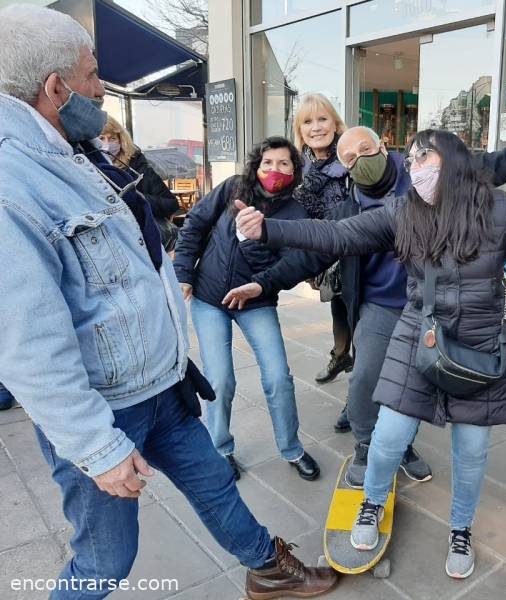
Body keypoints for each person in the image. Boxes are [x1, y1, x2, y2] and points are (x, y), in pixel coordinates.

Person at [0, 5, 337, 599]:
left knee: (214, 482)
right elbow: (26, 343)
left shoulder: (75, 154)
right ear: (55, 89)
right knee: (106, 561)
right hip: (109, 410)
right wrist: (98, 449)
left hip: (162, 384)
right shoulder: (12, 185)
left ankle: (266, 566)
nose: (99, 87)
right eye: (92, 72)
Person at [236, 128, 506, 580]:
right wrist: (269, 228)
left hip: (482, 342)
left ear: (455, 163)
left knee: (471, 449)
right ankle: (371, 503)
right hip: (419, 333)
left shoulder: (499, 210)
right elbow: (339, 235)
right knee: (387, 438)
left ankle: (460, 528)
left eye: (426, 159)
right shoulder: (405, 210)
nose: (416, 169)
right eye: (414, 161)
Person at [258, 124, 506, 490]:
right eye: (349, 160)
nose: (359, 162)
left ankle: (403, 447)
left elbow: (496, 164)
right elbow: (322, 245)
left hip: (433, 307)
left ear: (382, 142)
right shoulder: (349, 206)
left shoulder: (426, 172)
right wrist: (266, 282)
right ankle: (366, 445)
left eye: (365, 150)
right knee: (366, 377)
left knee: (414, 387)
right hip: (380, 305)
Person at [173, 137, 328, 482]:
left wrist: (259, 279)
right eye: (267, 162)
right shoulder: (231, 189)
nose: (274, 170)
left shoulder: (294, 213)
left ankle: (292, 448)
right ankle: (220, 448)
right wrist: (183, 272)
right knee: (220, 379)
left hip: (255, 301)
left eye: (284, 163)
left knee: (277, 377)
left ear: (295, 169)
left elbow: (294, 264)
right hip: (209, 297)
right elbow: (195, 225)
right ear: (256, 165)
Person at [291, 94, 353, 432]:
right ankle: (339, 355)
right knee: (338, 309)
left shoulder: (350, 155)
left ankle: (356, 398)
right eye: (308, 121)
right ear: (300, 130)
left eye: (322, 119)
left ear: (335, 123)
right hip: (326, 256)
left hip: (360, 253)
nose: (316, 127)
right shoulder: (300, 166)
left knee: (362, 323)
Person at [99, 116, 180, 251]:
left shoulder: (138, 168)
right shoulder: (88, 169)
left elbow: (171, 204)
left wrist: (140, 198)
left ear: (121, 139)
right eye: (101, 138)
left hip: (142, 242)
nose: (107, 144)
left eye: (112, 138)